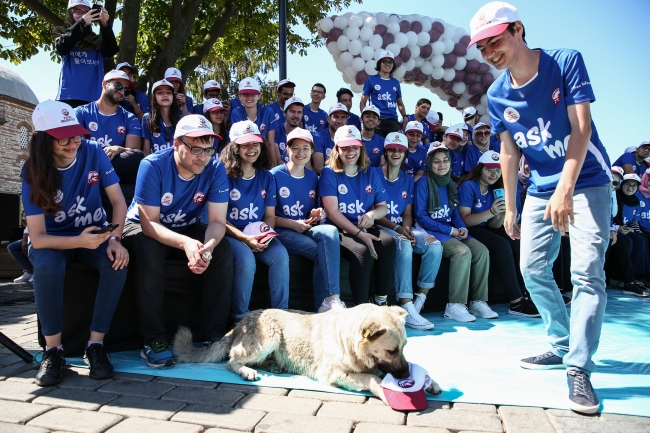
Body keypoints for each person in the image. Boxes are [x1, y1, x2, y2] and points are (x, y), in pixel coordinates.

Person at [469, 1, 612, 413]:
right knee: (531, 269)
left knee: (586, 271)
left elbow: (581, 128)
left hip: (587, 179)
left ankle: (579, 367)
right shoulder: (496, 94)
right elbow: (509, 154)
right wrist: (510, 207)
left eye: (494, 41)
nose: (488, 52)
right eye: (481, 47)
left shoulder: (565, 61)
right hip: (539, 188)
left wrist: (566, 188)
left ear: (517, 29)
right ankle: (561, 342)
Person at [23, 100, 128, 386]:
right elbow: (38, 238)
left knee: (117, 263)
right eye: (63, 136)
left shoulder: (92, 151)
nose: (73, 142)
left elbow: (119, 202)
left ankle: (95, 345)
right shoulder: (32, 171)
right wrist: (78, 240)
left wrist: (116, 239)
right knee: (46, 270)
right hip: (53, 243)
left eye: (77, 134)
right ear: (42, 139)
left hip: (94, 237)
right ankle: (53, 351)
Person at [122, 114, 234, 368]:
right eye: (195, 148)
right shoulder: (152, 165)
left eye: (208, 150)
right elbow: (149, 223)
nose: (202, 157)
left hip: (185, 225)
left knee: (223, 249)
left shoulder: (215, 168)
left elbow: (217, 222)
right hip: (142, 226)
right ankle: (154, 339)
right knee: (150, 249)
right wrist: (185, 244)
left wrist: (207, 247)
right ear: (176, 144)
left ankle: (213, 335)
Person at [414, 143, 496, 322]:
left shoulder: (450, 183)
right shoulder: (423, 183)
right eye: (436, 161)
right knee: (462, 252)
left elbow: (455, 213)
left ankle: (477, 301)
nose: (441, 165)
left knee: (481, 251)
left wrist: (463, 228)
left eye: (445, 160)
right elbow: (421, 217)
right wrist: (450, 230)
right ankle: (455, 305)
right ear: (429, 163)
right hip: (431, 230)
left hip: (450, 228)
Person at [271, 128, 346, 312]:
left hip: (305, 227)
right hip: (282, 230)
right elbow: (267, 218)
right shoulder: (274, 175)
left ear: (312, 151)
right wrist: (292, 224)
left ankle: (332, 299)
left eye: (305, 148)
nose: (300, 153)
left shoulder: (314, 177)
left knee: (330, 231)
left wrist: (318, 214)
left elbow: (318, 211)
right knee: (321, 251)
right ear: (287, 149)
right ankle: (325, 304)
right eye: (295, 148)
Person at [221, 121, 290, 322]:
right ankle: (239, 319)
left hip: (258, 234)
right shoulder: (222, 175)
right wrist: (245, 239)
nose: (252, 149)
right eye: (245, 144)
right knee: (246, 259)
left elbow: (269, 215)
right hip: (232, 233)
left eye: (256, 143)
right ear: (234, 147)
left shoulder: (267, 177)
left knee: (280, 255)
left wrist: (265, 235)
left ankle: (282, 317)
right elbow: (218, 219)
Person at [319, 126, 396, 305]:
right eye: (345, 147)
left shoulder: (370, 172)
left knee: (388, 242)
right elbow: (332, 211)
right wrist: (360, 234)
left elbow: (383, 207)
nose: (350, 151)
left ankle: (380, 300)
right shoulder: (329, 173)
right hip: (339, 229)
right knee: (362, 251)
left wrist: (371, 214)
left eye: (354, 146)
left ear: (360, 147)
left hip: (365, 226)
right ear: (337, 149)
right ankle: (361, 309)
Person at [458, 151, 539, 317]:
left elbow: (493, 224)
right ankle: (516, 303)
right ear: (480, 169)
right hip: (469, 228)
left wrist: (500, 214)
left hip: (485, 226)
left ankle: (525, 295)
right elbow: (465, 220)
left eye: (498, 170)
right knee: (502, 246)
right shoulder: (469, 185)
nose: (494, 173)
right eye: (489, 169)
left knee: (516, 242)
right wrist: (491, 211)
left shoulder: (494, 188)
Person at [374, 132, 440, 330]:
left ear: (405, 154)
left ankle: (419, 302)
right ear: (385, 152)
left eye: (400, 150)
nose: (396, 153)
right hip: (381, 226)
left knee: (434, 245)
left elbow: (408, 213)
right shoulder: (373, 174)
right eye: (392, 149)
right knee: (403, 244)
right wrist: (398, 229)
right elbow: (374, 211)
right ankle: (405, 305)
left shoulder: (408, 179)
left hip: (401, 228)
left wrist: (407, 229)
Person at [53, 0, 119, 108]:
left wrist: (104, 24)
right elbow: (62, 47)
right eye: (78, 11)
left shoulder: (97, 40)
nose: (82, 15)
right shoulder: (61, 32)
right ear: (70, 12)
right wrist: (82, 23)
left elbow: (111, 50)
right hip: (69, 97)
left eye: (86, 12)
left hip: (95, 98)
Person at [75, 70, 142, 159]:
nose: (122, 92)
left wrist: (119, 149)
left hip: (114, 165)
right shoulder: (80, 112)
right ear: (104, 84)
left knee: (136, 156)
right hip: (88, 162)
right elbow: (74, 144)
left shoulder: (130, 118)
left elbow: (134, 151)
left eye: (126, 90)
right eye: (118, 86)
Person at [612, 174, 650, 297]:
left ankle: (639, 276)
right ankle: (623, 279)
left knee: (640, 240)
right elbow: (612, 218)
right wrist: (618, 228)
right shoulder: (616, 197)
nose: (630, 187)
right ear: (622, 185)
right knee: (627, 242)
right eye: (627, 184)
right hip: (614, 229)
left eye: (634, 185)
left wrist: (633, 229)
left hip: (624, 229)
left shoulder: (635, 200)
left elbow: (634, 220)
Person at [230, 77, 277, 165]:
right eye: (245, 94)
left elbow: (271, 142)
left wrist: (273, 165)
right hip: (245, 158)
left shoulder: (268, 112)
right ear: (239, 96)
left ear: (259, 96)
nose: (249, 97)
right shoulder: (236, 113)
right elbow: (237, 142)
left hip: (263, 157)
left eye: (253, 94)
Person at [360, 51, 408, 137]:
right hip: (378, 121)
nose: (387, 64)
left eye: (390, 62)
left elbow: (400, 103)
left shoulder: (396, 82)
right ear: (380, 63)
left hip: (393, 121)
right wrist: (364, 116)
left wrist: (404, 116)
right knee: (378, 148)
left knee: (397, 147)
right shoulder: (371, 80)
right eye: (385, 61)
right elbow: (363, 101)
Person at [141, 79, 179, 156]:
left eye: (168, 92)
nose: (165, 95)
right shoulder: (147, 118)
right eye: (160, 93)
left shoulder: (182, 120)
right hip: (155, 165)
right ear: (154, 97)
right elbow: (146, 150)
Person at [312, 103, 350, 175]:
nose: (339, 121)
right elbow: (319, 168)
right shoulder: (319, 137)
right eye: (336, 117)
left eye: (343, 117)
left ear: (346, 120)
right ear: (328, 119)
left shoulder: (350, 139)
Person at [272, 96, 305, 165]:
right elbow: (277, 161)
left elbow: (307, 164)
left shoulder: (305, 135)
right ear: (284, 113)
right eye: (292, 111)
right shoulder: (276, 132)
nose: (296, 116)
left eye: (299, 112)